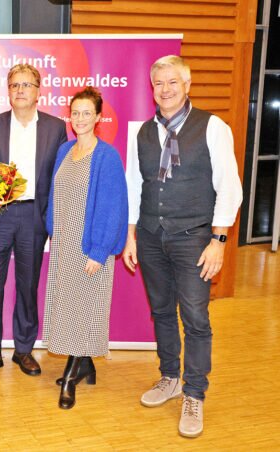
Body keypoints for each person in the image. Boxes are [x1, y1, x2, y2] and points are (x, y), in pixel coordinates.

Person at [123, 55, 243, 438]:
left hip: (194, 237)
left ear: (187, 85)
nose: (166, 89)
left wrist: (219, 241)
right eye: (159, 83)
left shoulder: (212, 127)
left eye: (173, 82)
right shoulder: (143, 132)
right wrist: (130, 236)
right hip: (150, 235)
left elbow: (230, 186)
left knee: (195, 317)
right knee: (161, 311)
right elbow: (134, 185)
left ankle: (194, 393)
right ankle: (170, 377)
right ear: (152, 88)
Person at [0, 64, 67, 378]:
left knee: (27, 284)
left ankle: (24, 349)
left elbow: (60, 177)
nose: (20, 90)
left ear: (38, 91)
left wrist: (55, 220)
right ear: (8, 91)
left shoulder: (55, 128)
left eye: (26, 85)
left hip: (33, 215)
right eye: (14, 85)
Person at [42, 87, 128, 410]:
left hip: (90, 247)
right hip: (64, 244)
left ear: (98, 117)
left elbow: (113, 206)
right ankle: (85, 365)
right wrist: (53, 229)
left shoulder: (107, 156)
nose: (80, 119)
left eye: (86, 113)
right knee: (68, 305)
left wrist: (100, 251)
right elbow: (56, 195)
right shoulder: (65, 151)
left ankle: (70, 377)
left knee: (83, 307)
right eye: (75, 113)